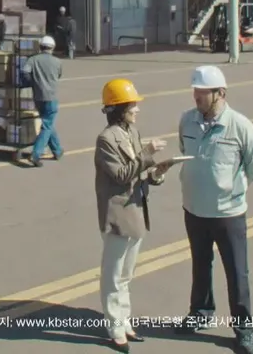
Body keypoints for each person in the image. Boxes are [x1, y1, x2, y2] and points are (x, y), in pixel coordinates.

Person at [175, 65, 253, 354]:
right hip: (194, 209)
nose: (197, 97)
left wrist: (234, 188)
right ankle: (200, 312)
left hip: (228, 214)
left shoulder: (239, 125)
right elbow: (184, 150)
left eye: (203, 92)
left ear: (220, 93)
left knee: (237, 272)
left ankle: (243, 329)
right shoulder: (187, 120)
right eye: (195, 91)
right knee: (200, 265)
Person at [94, 78, 175, 353]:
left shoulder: (132, 132)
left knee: (126, 275)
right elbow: (120, 175)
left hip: (137, 211)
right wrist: (148, 154)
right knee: (113, 275)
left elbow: (139, 172)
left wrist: (157, 174)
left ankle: (125, 321)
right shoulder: (106, 140)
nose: (137, 109)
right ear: (119, 109)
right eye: (132, 106)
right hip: (118, 214)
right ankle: (115, 328)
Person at [24, 35, 64, 167]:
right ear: (52, 48)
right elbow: (59, 75)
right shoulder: (57, 61)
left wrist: (33, 82)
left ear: (40, 47)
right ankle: (35, 154)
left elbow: (25, 72)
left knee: (48, 123)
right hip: (51, 97)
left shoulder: (33, 59)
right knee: (47, 125)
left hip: (38, 97)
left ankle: (57, 150)